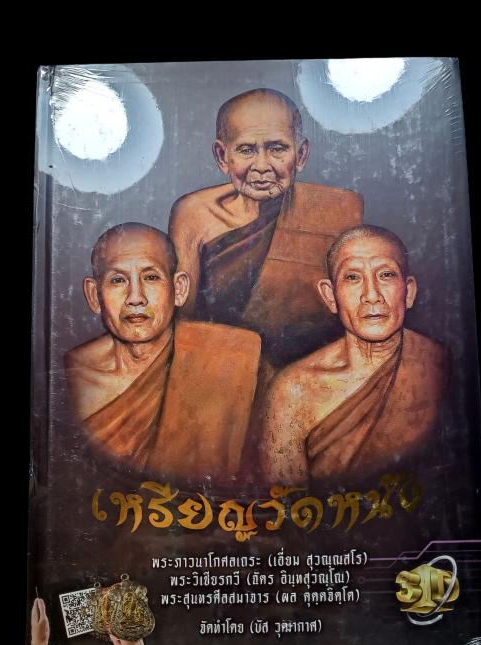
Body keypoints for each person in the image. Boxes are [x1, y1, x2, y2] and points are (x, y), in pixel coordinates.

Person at [169, 88, 363, 368]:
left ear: (301, 154)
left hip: (314, 373)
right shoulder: (194, 214)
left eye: (277, 149)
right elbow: (182, 321)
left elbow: (354, 311)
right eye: (246, 150)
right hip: (219, 370)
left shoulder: (336, 212)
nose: (261, 166)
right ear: (222, 156)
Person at [64, 222, 260, 485]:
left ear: (179, 289)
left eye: (151, 277)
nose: (136, 298)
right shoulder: (70, 379)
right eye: (118, 280)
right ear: (94, 295)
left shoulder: (232, 357)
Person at [260, 225, 449, 487]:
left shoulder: (439, 365)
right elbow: (287, 504)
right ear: (330, 296)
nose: (372, 295)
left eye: (386, 275)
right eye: (352, 277)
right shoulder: (293, 390)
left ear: (409, 291)